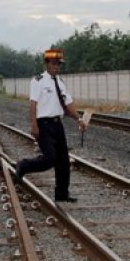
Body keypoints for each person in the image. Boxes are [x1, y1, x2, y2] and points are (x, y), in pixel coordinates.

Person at [15, 48, 87, 202]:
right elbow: (33, 104)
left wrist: (79, 119)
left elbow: (68, 104)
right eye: (53, 64)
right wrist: (34, 125)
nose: (56, 67)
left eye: (58, 64)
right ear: (46, 64)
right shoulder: (38, 81)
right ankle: (23, 165)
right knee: (50, 158)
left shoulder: (60, 82)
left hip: (57, 124)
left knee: (63, 162)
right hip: (44, 124)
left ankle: (61, 194)